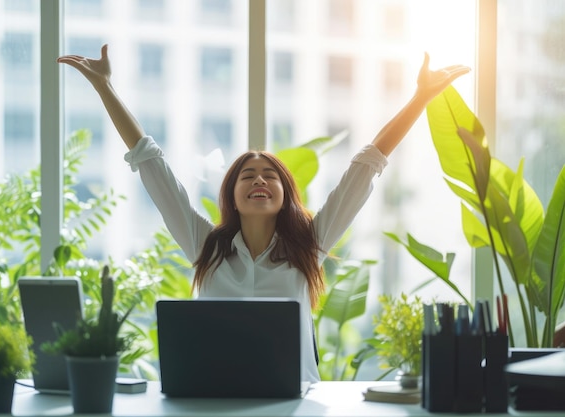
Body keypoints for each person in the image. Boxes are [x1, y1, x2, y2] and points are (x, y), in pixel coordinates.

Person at [57, 44, 470, 383]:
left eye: (270, 175)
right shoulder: (205, 245)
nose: (259, 180)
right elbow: (151, 164)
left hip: (295, 402)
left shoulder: (311, 244)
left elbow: (366, 166)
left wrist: (420, 98)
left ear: (285, 194)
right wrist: (104, 87)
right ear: (232, 196)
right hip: (212, 398)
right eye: (247, 175)